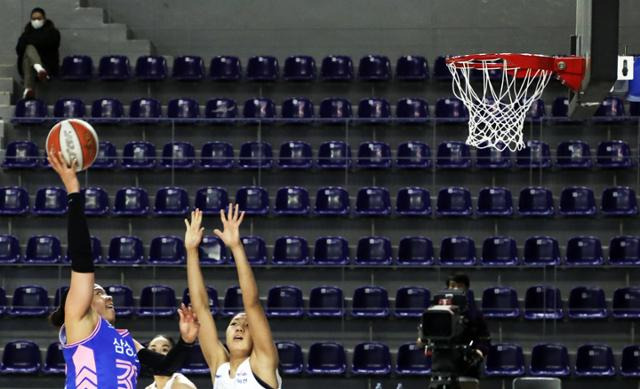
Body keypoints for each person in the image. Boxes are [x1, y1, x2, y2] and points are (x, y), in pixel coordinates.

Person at [48, 150, 199, 389]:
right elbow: (82, 259)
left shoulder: (126, 340)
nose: (107, 296)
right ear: (82, 300)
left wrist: (187, 341)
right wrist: (73, 192)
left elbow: (164, 368)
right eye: (97, 292)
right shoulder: (79, 321)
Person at [184, 207, 281, 389]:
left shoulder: (263, 362)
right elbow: (201, 308)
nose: (240, 329)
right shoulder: (220, 367)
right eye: (234, 324)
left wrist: (236, 247)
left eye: (247, 325)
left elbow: (251, 304)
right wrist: (191, 251)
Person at [443, 273, 491, 378]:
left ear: (466, 289)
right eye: (452, 286)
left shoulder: (475, 315)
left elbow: (485, 339)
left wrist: (479, 350)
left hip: (468, 364)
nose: (455, 289)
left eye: (460, 286)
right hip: (443, 363)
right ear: (447, 288)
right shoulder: (437, 312)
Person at [15, 7, 60, 99]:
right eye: (34, 19)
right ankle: (39, 69)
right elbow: (18, 49)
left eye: (39, 18)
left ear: (44, 19)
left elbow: (51, 44)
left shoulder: (52, 32)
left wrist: (30, 41)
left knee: (28, 49)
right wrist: (35, 42)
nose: (36, 21)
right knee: (29, 51)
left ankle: (28, 89)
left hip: (47, 66)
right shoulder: (27, 32)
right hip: (35, 72)